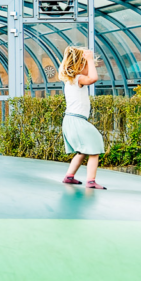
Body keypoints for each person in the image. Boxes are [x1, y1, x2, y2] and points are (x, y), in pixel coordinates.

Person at [58, 46, 105, 189]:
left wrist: (89, 61)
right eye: (88, 66)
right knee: (95, 146)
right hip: (76, 120)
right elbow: (93, 78)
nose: (90, 68)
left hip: (71, 120)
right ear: (80, 66)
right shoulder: (78, 78)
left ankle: (69, 176)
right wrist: (89, 59)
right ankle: (91, 181)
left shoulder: (71, 80)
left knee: (83, 150)